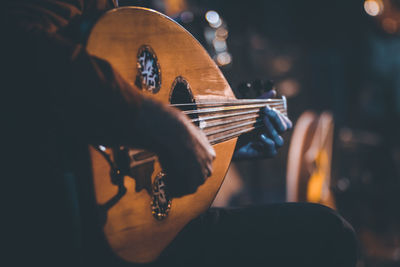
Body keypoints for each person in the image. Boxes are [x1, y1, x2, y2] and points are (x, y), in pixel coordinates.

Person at [3, 1, 357, 267]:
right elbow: (17, 45)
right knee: (324, 236)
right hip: (58, 215)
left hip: (128, 224)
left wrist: (226, 139)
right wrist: (152, 118)